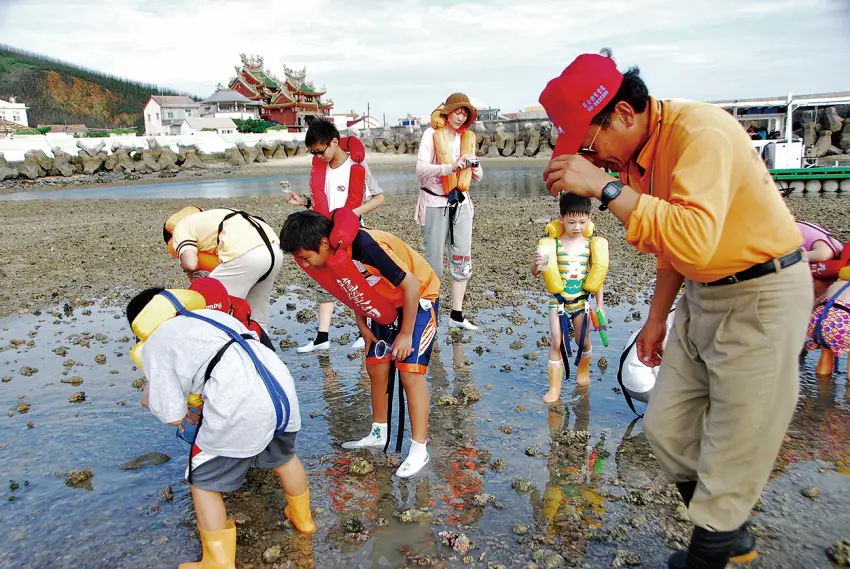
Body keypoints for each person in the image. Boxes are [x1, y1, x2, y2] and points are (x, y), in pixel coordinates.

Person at [539, 51, 812, 569]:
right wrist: (657, 318)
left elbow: (695, 236)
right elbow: (674, 248)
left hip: (764, 292)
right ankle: (734, 537)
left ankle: (710, 555)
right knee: (667, 428)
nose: (593, 161)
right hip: (702, 293)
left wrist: (604, 187)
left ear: (622, 114)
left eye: (590, 147)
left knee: (738, 438)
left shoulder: (700, 134)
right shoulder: (641, 154)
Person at [126, 286, 315, 569]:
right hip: (281, 390)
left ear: (141, 326)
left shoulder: (157, 341)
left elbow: (171, 412)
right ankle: (303, 520)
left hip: (240, 402)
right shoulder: (210, 316)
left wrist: (159, 401)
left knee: (201, 481)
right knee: (285, 458)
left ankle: (217, 562)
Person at [279, 208, 439, 478]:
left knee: (410, 373)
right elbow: (351, 287)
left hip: (419, 297)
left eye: (306, 258)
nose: (305, 265)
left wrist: (406, 334)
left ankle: (419, 449)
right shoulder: (331, 254)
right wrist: (362, 326)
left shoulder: (367, 246)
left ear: (322, 244)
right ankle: (378, 433)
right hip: (383, 304)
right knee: (376, 365)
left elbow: (411, 284)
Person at [285, 119, 386, 353]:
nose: (318, 156)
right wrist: (304, 202)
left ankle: (365, 332)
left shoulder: (356, 166)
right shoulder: (321, 168)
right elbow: (323, 203)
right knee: (324, 282)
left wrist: (350, 215)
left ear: (334, 142)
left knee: (357, 281)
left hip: (352, 232)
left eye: (320, 151)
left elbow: (379, 198)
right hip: (323, 232)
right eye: (314, 153)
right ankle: (322, 337)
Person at [415, 92, 483, 330]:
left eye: (465, 113)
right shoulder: (431, 135)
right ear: (447, 112)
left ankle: (457, 313)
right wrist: (450, 167)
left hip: (461, 203)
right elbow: (421, 169)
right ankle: (429, 314)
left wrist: (473, 167)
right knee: (434, 260)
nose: (461, 116)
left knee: (462, 257)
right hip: (435, 202)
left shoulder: (467, 138)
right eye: (457, 111)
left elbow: (480, 175)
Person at [531, 192, 606, 399]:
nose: (577, 227)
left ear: (590, 218)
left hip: (581, 303)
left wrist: (600, 305)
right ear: (561, 218)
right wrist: (537, 263)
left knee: (584, 341)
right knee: (557, 342)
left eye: (582, 222)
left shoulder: (590, 245)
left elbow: (597, 277)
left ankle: (583, 371)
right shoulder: (552, 244)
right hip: (558, 303)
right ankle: (554, 389)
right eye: (571, 221)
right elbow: (537, 273)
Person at [163, 206, 282, 332]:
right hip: (274, 250)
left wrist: (185, 265)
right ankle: (263, 349)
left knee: (212, 313)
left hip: (246, 255)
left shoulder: (181, 227)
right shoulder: (217, 214)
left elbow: (190, 263)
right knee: (257, 318)